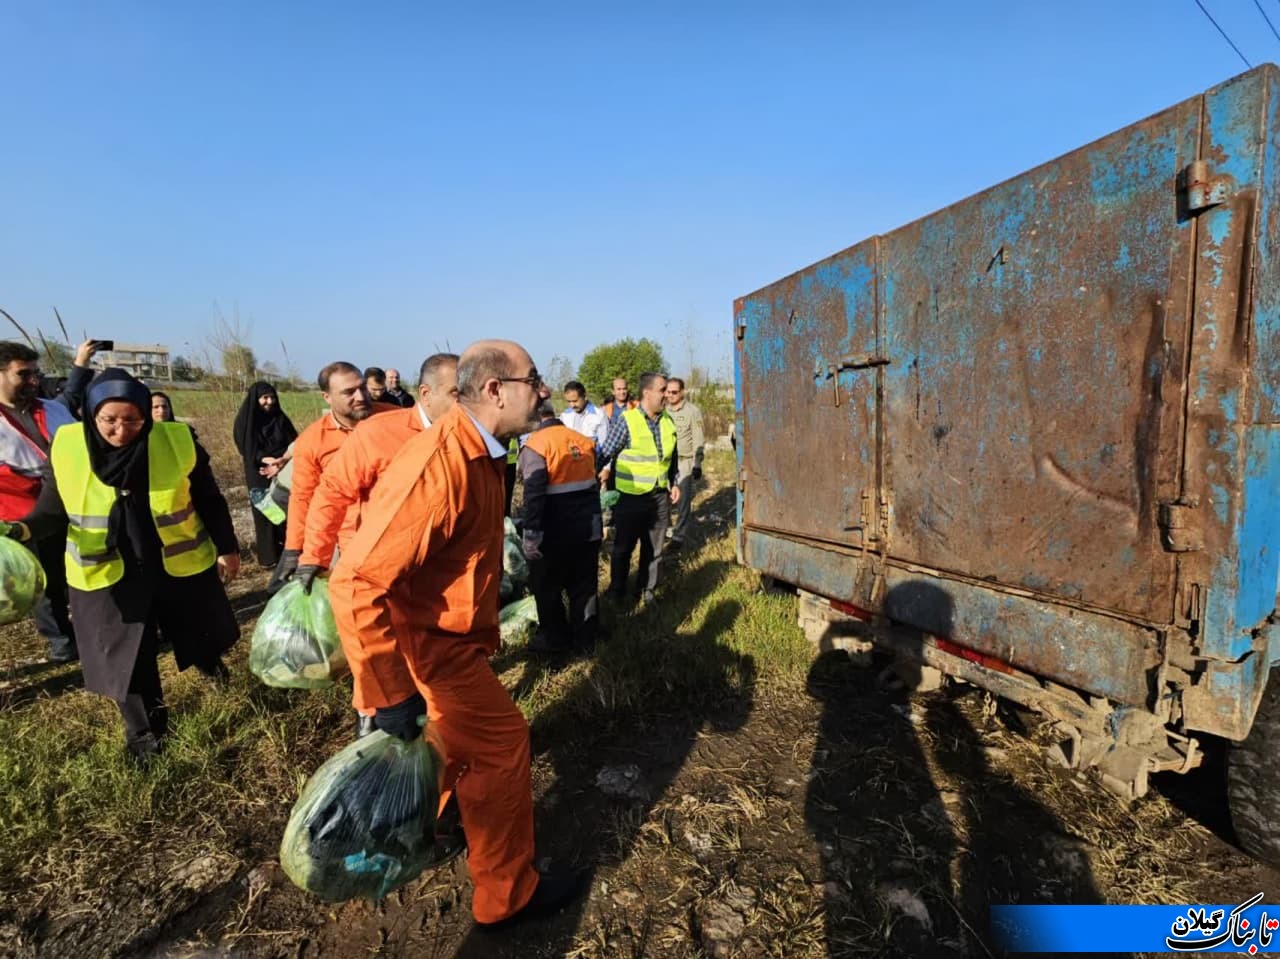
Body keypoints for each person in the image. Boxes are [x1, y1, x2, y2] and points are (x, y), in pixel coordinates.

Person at [329, 340, 583, 929]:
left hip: (451, 640)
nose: (544, 390)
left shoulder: (483, 453)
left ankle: (419, 825)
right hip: (432, 646)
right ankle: (507, 895)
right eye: (534, 378)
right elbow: (359, 582)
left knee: (454, 746)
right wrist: (388, 692)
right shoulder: (439, 463)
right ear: (495, 390)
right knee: (502, 745)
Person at [12, 370, 240, 764]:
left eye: (133, 420)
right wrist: (21, 530)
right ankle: (145, 737)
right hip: (107, 571)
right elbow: (52, 512)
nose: (121, 430)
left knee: (199, 630)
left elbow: (209, 498)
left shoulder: (176, 441)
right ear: (91, 416)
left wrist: (228, 547)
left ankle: (210, 666)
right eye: (110, 420)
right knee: (127, 657)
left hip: (173, 561)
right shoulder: (67, 448)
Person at [297, 353, 459, 731]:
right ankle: (372, 713)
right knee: (376, 642)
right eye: (455, 392)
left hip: (434, 567)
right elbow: (327, 492)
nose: (463, 402)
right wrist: (311, 555)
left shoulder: (464, 437)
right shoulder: (379, 432)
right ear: (426, 393)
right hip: (374, 558)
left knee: (425, 648)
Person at [0, 341, 78, 662]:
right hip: (24, 513)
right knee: (45, 581)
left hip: (71, 505)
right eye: (23, 374)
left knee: (76, 570)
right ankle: (61, 641)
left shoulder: (53, 409)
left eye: (35, 373)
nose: (33, 381)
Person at [276, 362, 387, 584]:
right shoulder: (313, 441)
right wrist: (294, 549)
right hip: (351, 543)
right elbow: (302, 498)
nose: (361, 396)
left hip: (398, 534)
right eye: (349, 392)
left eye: (363, 387)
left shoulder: (393, 419)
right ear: (327, 397)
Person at [520, 402, 601, 657]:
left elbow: (533, 495)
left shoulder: (536, 445)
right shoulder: (583, 441)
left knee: (547, 588)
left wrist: (531, 534)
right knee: (584, 585)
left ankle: (555, 639)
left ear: (536, 418)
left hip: (554, 533)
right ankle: (586, 639)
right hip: (588, 529)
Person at [595, 371, 680, 605]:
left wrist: (673, 482)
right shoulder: (628, 420)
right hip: (630, 499)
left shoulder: (667, 421)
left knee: (654, 548)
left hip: (659, 497)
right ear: (647, 393)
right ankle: (617, 591)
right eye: (663, 390)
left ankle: (646, 590)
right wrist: (588, 479)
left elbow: (671, 458)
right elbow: (604, 453)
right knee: (623, 548)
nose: (667, 395)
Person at [233, 382, 298, 569]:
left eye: (272, 397)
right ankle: (268, 557)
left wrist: (281, 462)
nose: (269, 402)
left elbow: (294, 442)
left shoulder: (280, 418)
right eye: (264, 398)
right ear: (256, 399)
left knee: (284, 512)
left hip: (283, 470)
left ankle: (288, 552)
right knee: (265, 512)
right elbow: (245, 447)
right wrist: (264, 459)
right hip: (259, 472)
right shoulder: (245, 420)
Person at [663, 377, 705, 549]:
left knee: (682, 501)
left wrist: (697, 463)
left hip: (684, 462)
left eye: (674, 392)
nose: (671, 395)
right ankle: (666, 531)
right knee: (663, 498)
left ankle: (678, 537)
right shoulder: (663, 410)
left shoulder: (692, 411)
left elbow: (698, 439)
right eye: (668, 392)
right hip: (665, 462)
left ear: (682, 392)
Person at [597, 376, 636, 445]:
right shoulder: (604, 410)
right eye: (619, 389)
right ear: (613, 391)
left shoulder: (635, 406)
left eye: (624, 389)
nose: (622, 392)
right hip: (611, 446)